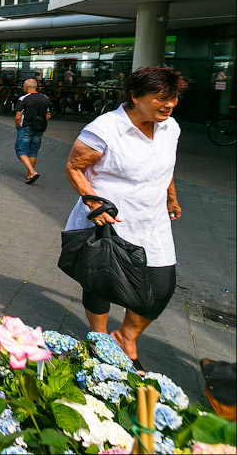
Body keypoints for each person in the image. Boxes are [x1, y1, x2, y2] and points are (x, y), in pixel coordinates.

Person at [63, 67, 186, 372]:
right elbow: (74, 167)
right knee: (99, 280)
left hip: (152, 221)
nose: (168, 104)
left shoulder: (171, 128)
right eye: (161, 98)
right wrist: (93, 203)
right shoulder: (105, 128)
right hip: (106, 220)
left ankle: (126, 336)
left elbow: (166, 165)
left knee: (160, 289)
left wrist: (171, 196)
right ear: (135, 96)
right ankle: (99, 337)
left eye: (173, 98)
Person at [14, 78, 52, 184]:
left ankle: (32, 171)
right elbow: (48, 115)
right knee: (33, 151)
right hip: (39, 129)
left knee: (21, 150)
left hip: (26, 127)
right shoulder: (45, 98)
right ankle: (29, 175)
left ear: (26, 87)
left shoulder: (23, 99)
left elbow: (18, 116)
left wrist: (17, 127)